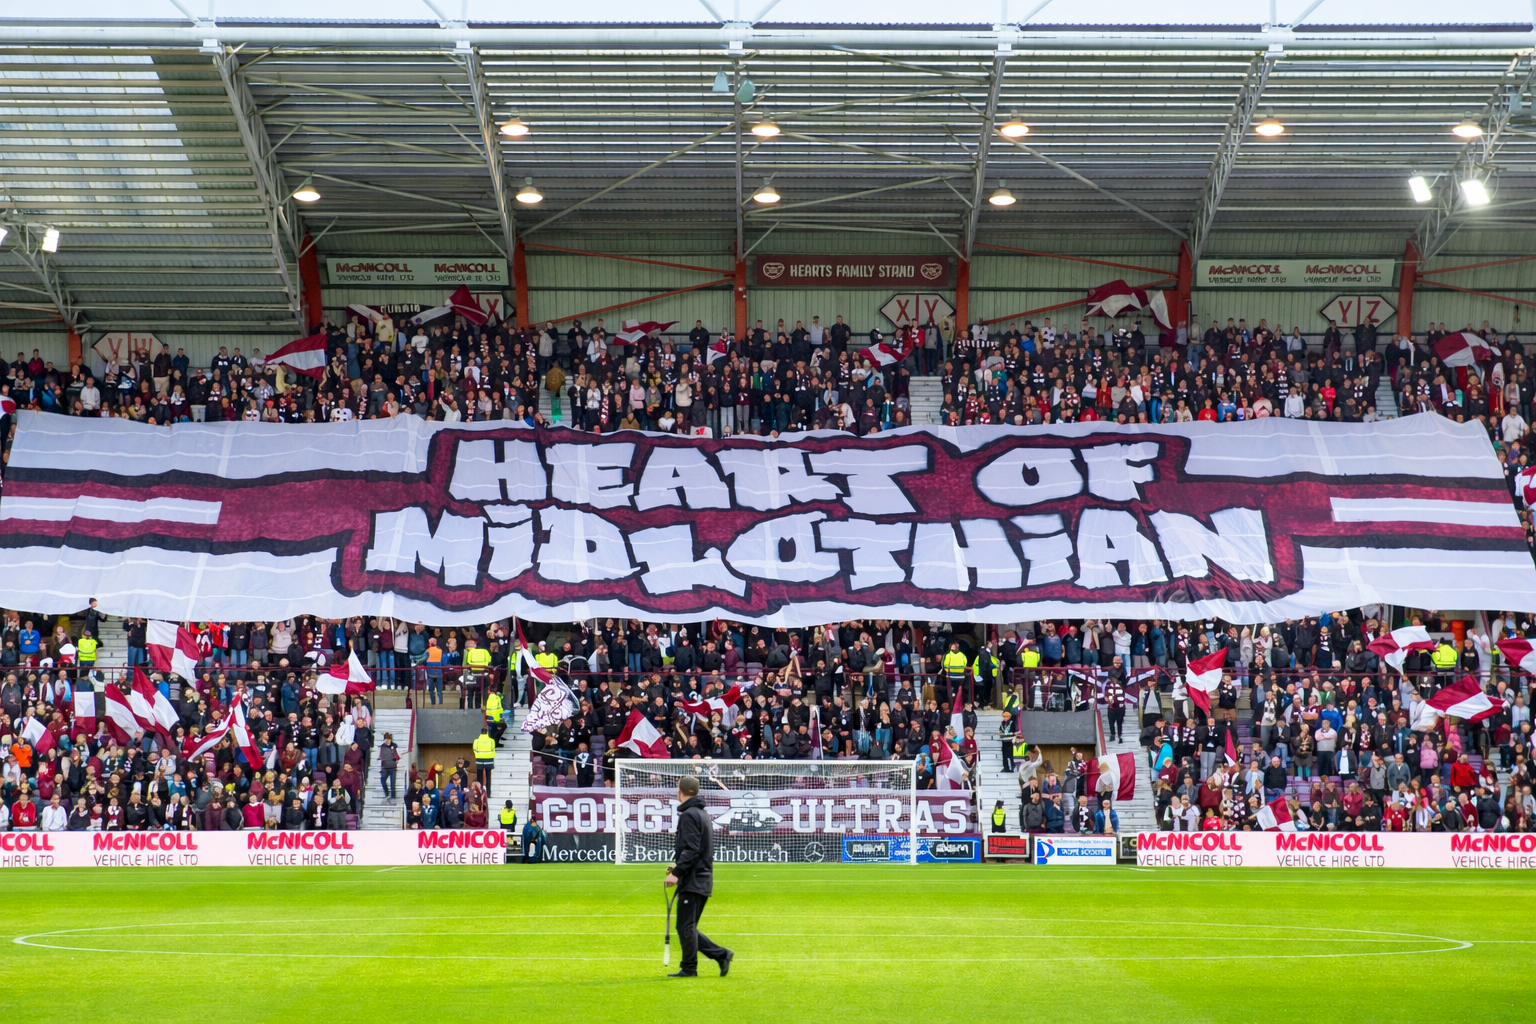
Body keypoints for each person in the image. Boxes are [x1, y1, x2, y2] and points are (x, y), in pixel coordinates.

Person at [665, 774, 733, 978]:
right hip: (701, 877)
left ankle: (690, 967)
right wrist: (677, 867)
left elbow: (692, 849)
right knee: (687, 926)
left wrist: (677, 873)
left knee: (685, 926)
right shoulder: (701, 813)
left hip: (694, 879)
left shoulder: (689, 815)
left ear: (681, 790)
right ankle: (721, 955)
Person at [473, 725, 496, 790]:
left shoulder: (476, 741)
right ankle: (488, 792)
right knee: (488, 776)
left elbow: (474, 749)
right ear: (487, 733)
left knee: (479, 776)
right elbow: (493, 749)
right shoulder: (491, 741)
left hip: (479, 759)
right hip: (489, 759)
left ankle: (480, 790)